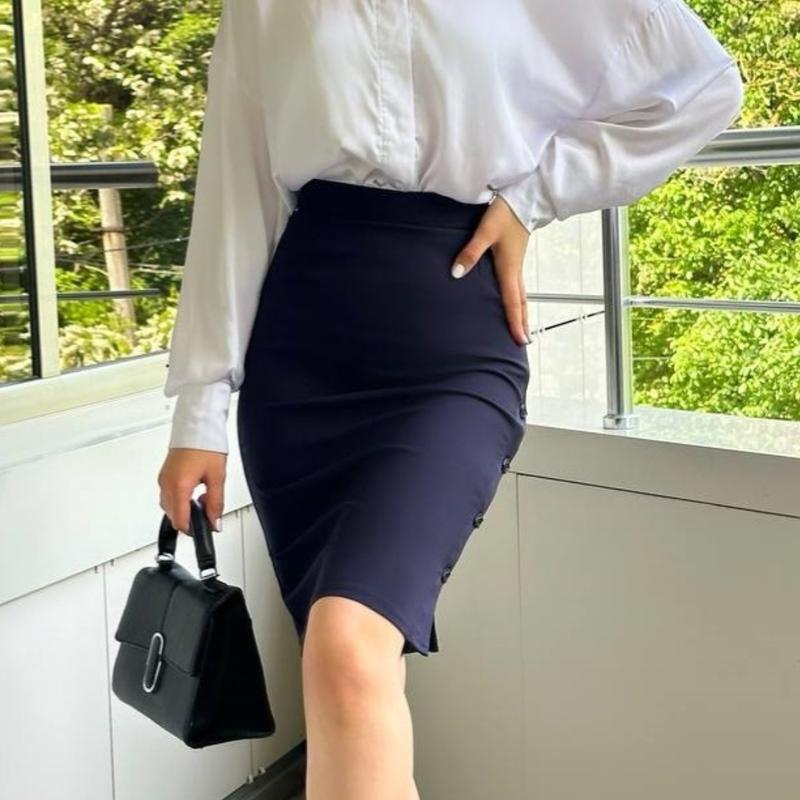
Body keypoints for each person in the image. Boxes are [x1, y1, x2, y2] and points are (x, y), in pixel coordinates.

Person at [157, 1, 744, 797]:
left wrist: (534, 197)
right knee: (350, 675)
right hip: (298, 363)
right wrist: (199, 411)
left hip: (452, 347)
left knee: (345, 649)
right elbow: (235, 186)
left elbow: (701, 88)